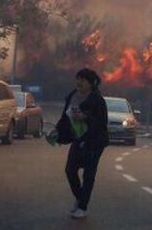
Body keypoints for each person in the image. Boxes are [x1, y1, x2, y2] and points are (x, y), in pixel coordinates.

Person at [64, 68, 109, 219]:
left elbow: (101, 123)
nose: (79, 82)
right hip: (78, 138)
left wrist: (85, 117)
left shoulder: (97, 100)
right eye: (78, 78)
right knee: (70, 170)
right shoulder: (72, 96)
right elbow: (66, 116)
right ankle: (80, 198)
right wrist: (58, 133)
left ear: (91, 83)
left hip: (95, 141)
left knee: (88, 174)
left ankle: (82, 207)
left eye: (83, 79)